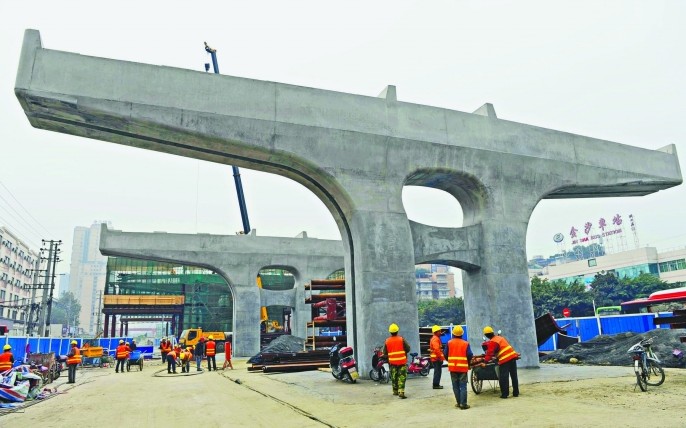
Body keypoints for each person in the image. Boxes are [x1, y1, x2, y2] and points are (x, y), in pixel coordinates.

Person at [483, 326, 519, 399]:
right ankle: (516, 392)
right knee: (514, 376)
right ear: (493, 332)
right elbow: (500, 348)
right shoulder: (500, 338)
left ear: (486, 335)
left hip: (505, 360)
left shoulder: (493, 341)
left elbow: (489, 353)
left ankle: (505, 394)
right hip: (512, 357)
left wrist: (485, 362)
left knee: (503, 377)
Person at [447, 325, 473, 409]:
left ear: (453, 334)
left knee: (455, 386)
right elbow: (470, 355)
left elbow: (445, 354)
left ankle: (458, 403)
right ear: (462, 334)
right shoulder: (465, 343)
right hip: (462, 368)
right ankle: (463, 404)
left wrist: (450, 361)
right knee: (463, 386)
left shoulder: (449, 343)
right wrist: (469, 364)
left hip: (453, 368)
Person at [383, 323, 410, 399]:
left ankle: (395, 391)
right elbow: (408, 349)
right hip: (401, 362)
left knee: (394, 376)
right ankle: (401, 391)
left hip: (392, 362)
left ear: (390, 332)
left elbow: (384, 352)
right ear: (397, 331)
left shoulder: (387, 341)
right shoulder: (401, 339)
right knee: (401, 376)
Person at [429, 325, 445, 389]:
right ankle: (436, 385)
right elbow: (437, 350)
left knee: (437, 371)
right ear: (436, 332)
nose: (440, 332)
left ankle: (436, 384)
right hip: (436, 359)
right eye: (439, 331)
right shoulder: (435, 339)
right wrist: (441, 358)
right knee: (437, 372)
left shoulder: (435, 338)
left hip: (436, 358)